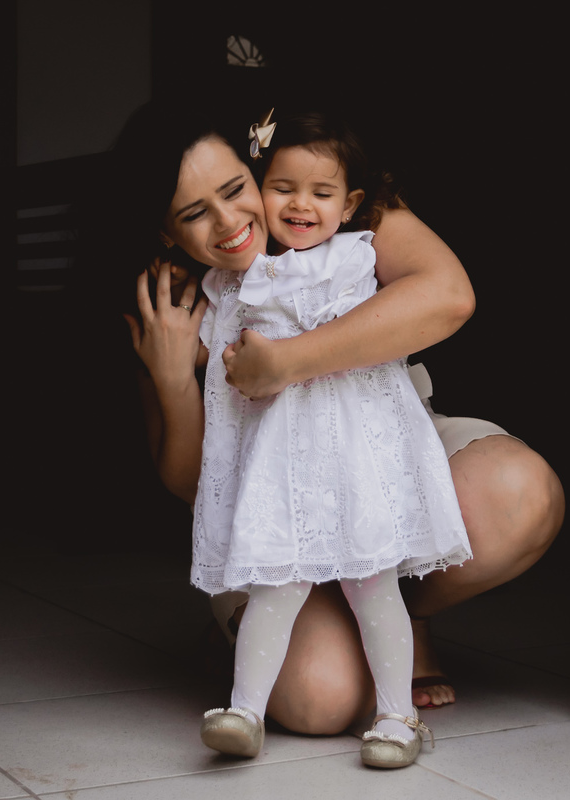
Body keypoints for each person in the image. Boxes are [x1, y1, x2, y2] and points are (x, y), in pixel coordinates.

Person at [107, 100, 565, 735]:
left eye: (238, 189)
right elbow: (189, 482)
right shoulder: (179, 295)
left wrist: (286, 363)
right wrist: (168, 375)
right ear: (165, 230)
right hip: (264, 510)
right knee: (320, 702)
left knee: (522, 495)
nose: (230, 221)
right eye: (193, 213)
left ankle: (401, 615)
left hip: (378, 450)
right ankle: (287, 639)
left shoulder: (328, 202)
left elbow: (450, 295)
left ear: (257, 164)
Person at [192, 112, 470, 767]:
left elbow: (428, 305)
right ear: (257, 190)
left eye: (322, 193)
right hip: (284, 461)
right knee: (275, 580)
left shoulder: (361, 256)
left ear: (350, 207)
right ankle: (244, 711)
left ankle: (397, 717)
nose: (300, 204)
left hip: (357, 453)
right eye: (282, 186)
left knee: (375, 585)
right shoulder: (242, 275)